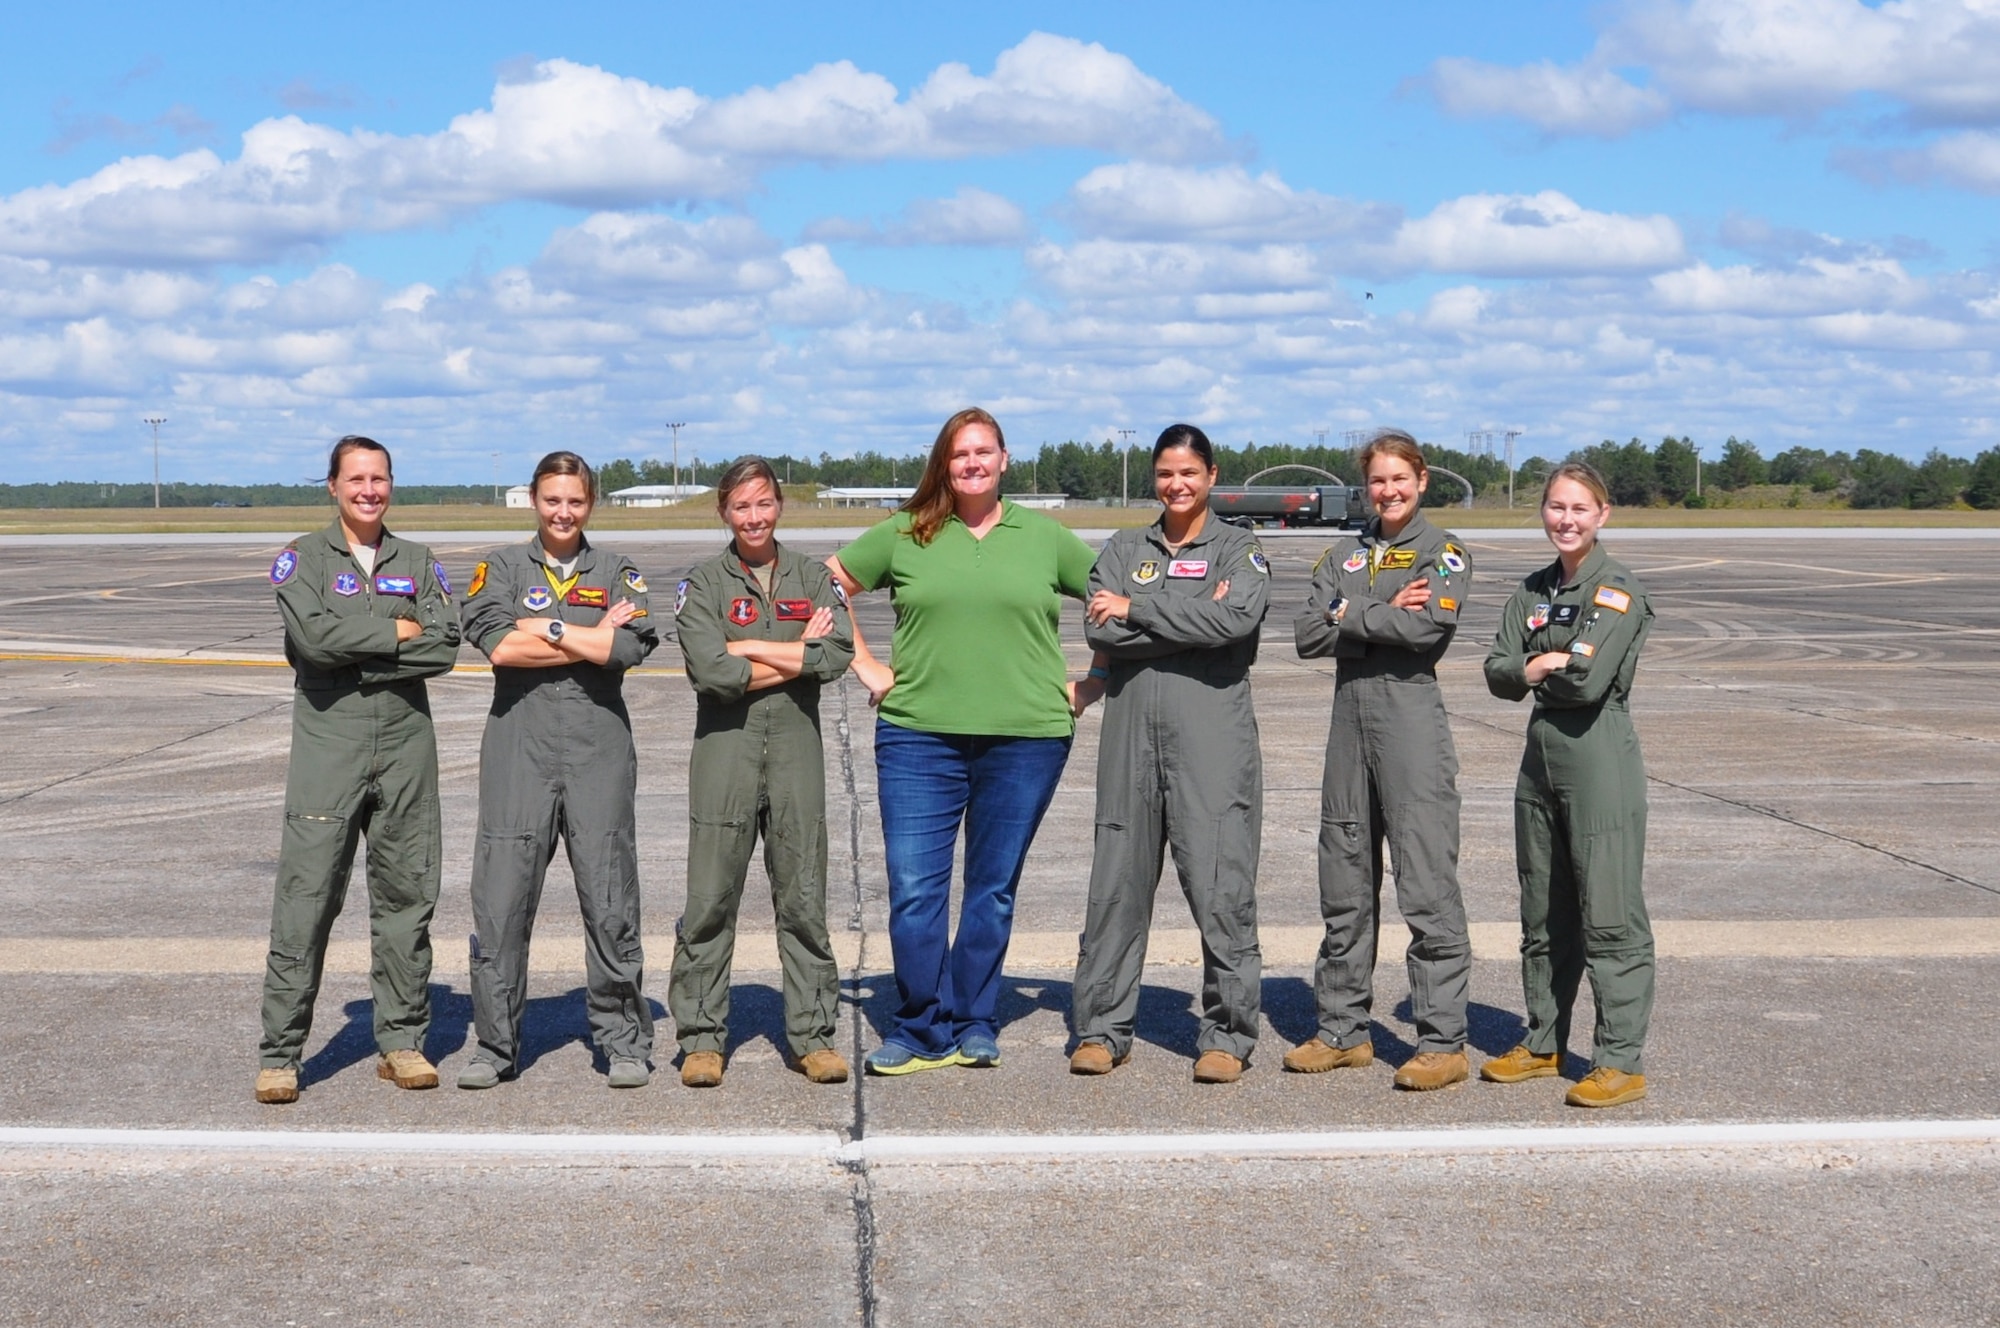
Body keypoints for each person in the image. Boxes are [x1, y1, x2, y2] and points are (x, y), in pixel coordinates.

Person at [828, 407, 1097, 1075]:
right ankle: (921, 1025)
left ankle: (976, 1019)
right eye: (959, 454)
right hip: (919, 737)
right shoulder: (906, 532)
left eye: (984, 451)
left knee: (991, 886)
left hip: (1026, 738)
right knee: (916, 888)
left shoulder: (1044, 537)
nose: (972, 463)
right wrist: (865, 663)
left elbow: (1117, 598)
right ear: (943, 464)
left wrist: (1094, 684)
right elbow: (824, 584)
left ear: (1005, 460)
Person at [256, 435, 461, 1105]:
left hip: (406, 750)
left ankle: (400, 1042)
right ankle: (281, 1053)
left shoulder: (420, 560)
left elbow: (445, 647)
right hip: (329, 752)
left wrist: (355, 646)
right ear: (333, 486)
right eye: (356, 479)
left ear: (391, 484)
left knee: (408, 898)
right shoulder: (302, 559)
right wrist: (394, 630)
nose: (368, 490)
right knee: (307, 900)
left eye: (379, 479)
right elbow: (311, 640)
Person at [1066, 424, 1270, 1084]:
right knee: (1116, 883)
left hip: (1211, 739)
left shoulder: (1240, 550)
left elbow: (1235, 622)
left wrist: (1138, 610)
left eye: (1187, 472)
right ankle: (1102, 1027)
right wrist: (1182, 617)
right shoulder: (1127, 546)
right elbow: (1099, 626)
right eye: (1164, 473)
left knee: (1219, 883)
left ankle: (1228, 1033)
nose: (1175, 484)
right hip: (1131, 737)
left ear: (1211, 476)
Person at [456, 451, 658, 1090]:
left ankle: (623, 1041)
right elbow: (496, 643)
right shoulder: (501, 567)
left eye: (575, 500)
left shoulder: (617, 569)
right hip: (521, 750)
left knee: (610, 897)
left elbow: (626, 648)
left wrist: (540, 628)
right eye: (551, 500)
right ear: (534, 502)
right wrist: (580, 631)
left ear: (589, 502)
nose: (563, 512)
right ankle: (496, 1044)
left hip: (599, 751)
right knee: (502, 898)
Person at [1287, 430, 1475, 1091]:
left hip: (1410, 727)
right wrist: (1378, 609)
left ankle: (1442, 1041)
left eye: (1400, 479)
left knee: (1425, 887)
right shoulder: (1342, 552)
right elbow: (1306, 633)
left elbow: (1425, 631)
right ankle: (1342, 1030)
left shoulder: (1442, 553)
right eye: (1377, 481)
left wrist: (1349, 614)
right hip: (1349, 730)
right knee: (1343, 882)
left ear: (1421, 480)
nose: (1388, 491)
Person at [668, 457, 855, 1089]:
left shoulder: (810, 574)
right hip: (726, 753)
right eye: (741, 506)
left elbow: (836, 654)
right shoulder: (704, 583)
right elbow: (711, 672)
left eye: (764, 504)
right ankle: (700, 1037)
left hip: (797, 754)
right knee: (710, 899)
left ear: (780, 506)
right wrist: (794, 654)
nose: (754, 517)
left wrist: (748, 646)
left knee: (803, 896)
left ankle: (813, 1035)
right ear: (724, 512)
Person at [1481, 462, 1656, 1108]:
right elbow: (1496, 670)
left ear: (1602, 515)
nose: (1566, 519)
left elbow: (1584, 682)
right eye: (1556, 507)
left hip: (1598, 753)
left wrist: (1533, 666)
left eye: (1580, 509)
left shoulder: (1616, 591)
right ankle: (1544, 1038)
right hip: (1541, 756)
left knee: (1609, 913)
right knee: (1543, 911)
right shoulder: (1532, 589)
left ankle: (1619, 1058)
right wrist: (1541, 663)